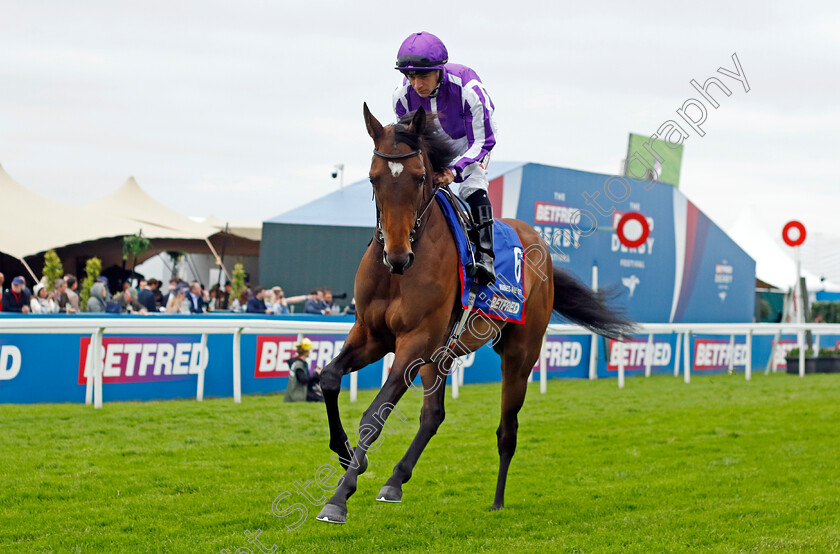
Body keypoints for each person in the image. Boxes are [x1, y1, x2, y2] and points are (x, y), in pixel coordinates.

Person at [393, 31, 498, 285]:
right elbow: (408, 142)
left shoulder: (468, 88)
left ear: (439, 70)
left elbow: (484, 140)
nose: (417, 84)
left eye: (424, 76)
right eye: (411, 76)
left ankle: (486, 258)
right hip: (431, 146)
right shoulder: (401, 96)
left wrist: (454, 170)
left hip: (470, 144)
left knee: (472, 185)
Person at [284, 338, 324, 402]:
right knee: (324, 400)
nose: (309, 352)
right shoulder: (298, 365)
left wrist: (317, 375)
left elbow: (307, 380)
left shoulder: (299, 363)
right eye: (309, 350)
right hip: (299, 394)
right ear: (305, 352)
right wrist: (316, 373)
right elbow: (303, 380)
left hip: (300, 392)